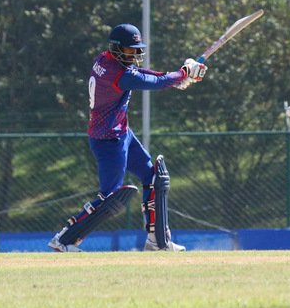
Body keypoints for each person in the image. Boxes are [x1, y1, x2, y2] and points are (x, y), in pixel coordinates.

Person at [48, 23, 207, 252]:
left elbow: (144, 75)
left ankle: (157, 241)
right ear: (116, 48)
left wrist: (176, 77)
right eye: (129, 50)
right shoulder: (117, 73)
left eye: (136, 50)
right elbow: (150, 82)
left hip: (121, 133)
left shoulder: (104, 60)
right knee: (110, 198)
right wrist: (181, 74)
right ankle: (64, 240)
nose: (134, 54)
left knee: (154, 177)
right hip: (109, 141)